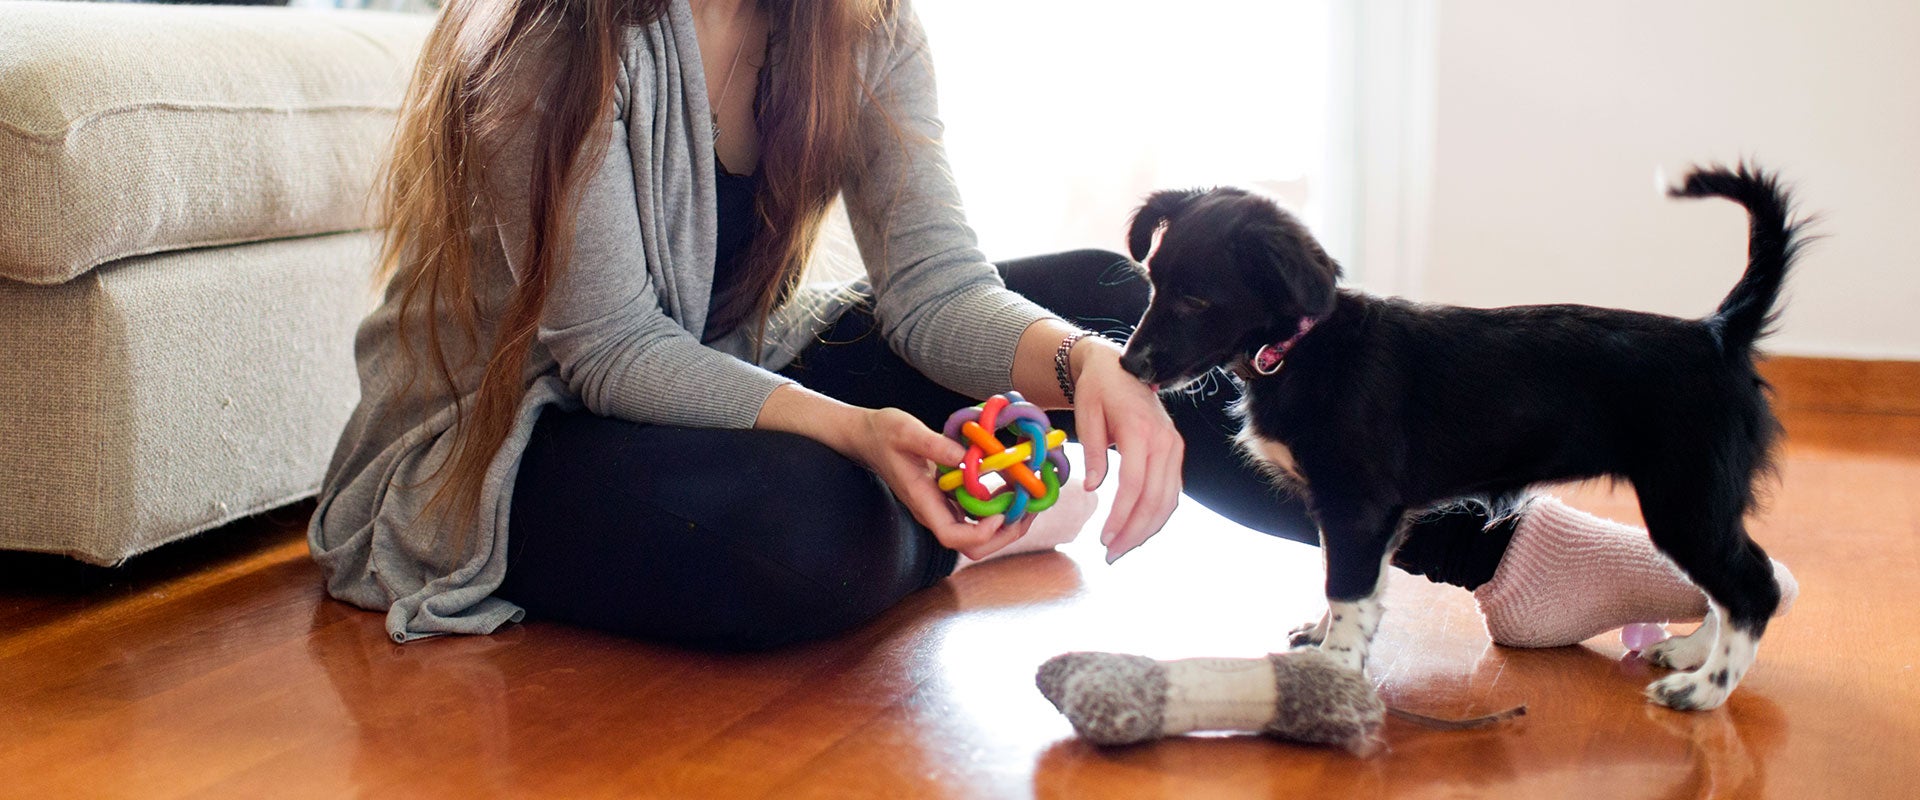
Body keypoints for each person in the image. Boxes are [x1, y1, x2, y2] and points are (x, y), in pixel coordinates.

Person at [310, 0, 1795, 649]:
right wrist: (864, 428)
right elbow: (614, 350)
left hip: (743, 375)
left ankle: (1511, 556)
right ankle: (970, 505)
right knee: (798, 540)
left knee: (1100, 294)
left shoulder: (858, 25)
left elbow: (936, 287)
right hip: (519, 442)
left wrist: (1090, 371)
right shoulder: (551, 36)